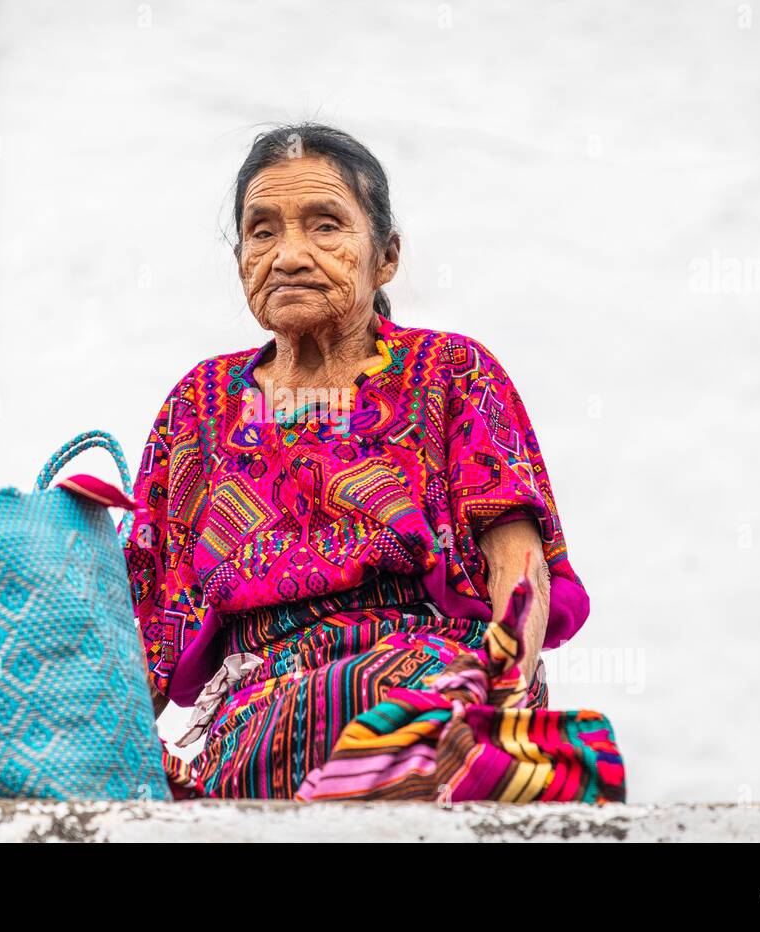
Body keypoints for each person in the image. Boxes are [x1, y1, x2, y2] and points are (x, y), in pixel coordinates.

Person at [123, 123, 625, 802]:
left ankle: (428, 758)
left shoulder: (449, 372)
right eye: (263, 230)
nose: (290, 254)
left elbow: (517, 566)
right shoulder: (201, 407)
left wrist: (501, 695)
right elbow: (147, 623)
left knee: (422, 716)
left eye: (325, 226)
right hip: (264, 715)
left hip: (434, 676)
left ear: (384, 256)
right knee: (273, 738)